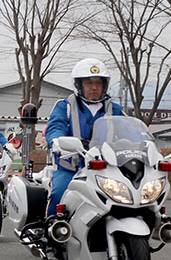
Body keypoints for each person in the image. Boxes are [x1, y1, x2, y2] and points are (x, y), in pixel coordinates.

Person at [44, 58, 124, 216]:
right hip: (71, 169)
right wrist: (58, 141)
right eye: (89, 83)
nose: (94, 87)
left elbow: (129, 132)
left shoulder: (115, 109)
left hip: (106, 170)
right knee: (60, 193)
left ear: (104, 85)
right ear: (79, 85)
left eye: (98, 83)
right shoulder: (65, 106)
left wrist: (145, 147)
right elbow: (55, 127)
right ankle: (54, 232)